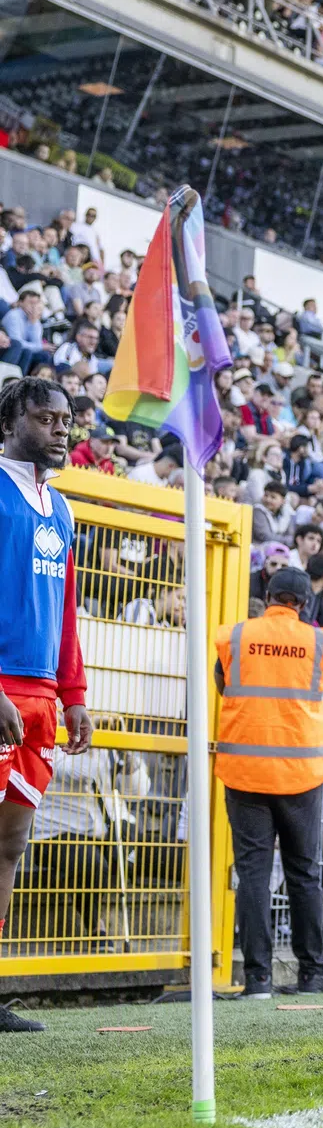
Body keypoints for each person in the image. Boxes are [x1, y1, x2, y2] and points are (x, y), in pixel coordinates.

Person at [0, 378, 92, 1032]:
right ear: (10, 420)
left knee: (10, 845)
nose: (61, 429)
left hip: (40, 701)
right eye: (45, 417)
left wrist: (76, 696)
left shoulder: (58, 508)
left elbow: (67, 614)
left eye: (66, 419)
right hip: (1, 688)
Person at [214, 567, 323, 999]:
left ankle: (258, 980)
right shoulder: (321, 641)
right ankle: (312, 977)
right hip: (303, 774)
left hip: (245, 772)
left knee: (253, 875)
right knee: (303, 874)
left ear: (268, 596)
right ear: (303, 603)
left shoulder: (234, 636)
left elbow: (222, 684)